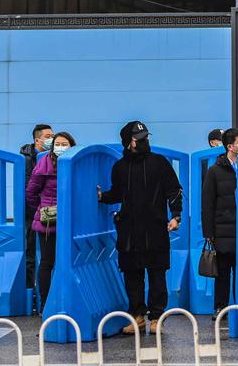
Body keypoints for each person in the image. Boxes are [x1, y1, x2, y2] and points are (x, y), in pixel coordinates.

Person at [98, 121, 183, 335]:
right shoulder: (119, 167)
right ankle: (137, 317)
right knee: (132, 276)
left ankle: (156, 317)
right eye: (139, 138)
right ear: (129, 142)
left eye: (146, 137)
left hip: (156, 229)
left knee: (157, 275)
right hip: (129, 231)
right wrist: (103, 197)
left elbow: (173, 190)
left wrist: (176, 216)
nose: (144, 141)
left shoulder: (160, 162)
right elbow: (117, 194)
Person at [25, 131, 75, 311]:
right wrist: (42, 208)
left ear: (72, 146)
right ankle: (46, 305)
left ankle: (66, 302)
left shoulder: (75, 163)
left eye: (64, 144)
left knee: (69, 261)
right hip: (49, 221)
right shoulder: (44, 164)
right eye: (58, 144)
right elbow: (30, 193)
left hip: (71, 221)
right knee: (47, 262)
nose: (60, 147)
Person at [201, 128, 238, 318]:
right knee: (222, 272)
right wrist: (208, 232)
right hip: (222, 229)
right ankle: (221, 308)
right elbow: (207, 203)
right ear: (230, 146)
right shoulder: (215, 171)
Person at [20, 124, 54, 294]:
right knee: (31, 253)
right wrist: (37, 208)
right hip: (32, 212)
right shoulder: (26, 159)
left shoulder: (52, 156)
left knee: (46, 256)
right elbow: (29, 189)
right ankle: (30, 293)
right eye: (48, 136)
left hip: (48, 213)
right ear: (37, 139)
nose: (52, 139)